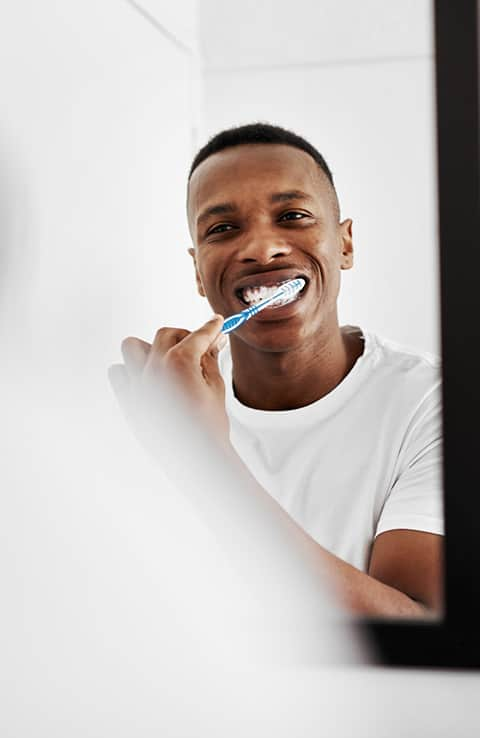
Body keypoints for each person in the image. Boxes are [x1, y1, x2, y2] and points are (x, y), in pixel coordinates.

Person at [110, 123, 443, 618]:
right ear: (197, 270)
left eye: (293, 216)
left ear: (345, 244)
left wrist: (202, 458)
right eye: (222, 229)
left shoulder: (434, 402)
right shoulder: (153, 403)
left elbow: (417, 629)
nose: (262, 249)